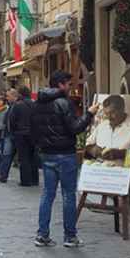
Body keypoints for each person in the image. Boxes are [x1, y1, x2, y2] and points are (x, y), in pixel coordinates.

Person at [31, 71, 100, 248]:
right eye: (69, 84)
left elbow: (34, 130)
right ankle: (70, 236)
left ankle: (42, 235)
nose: (71, 88)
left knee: (47, 194)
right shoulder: (63, 103)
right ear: (61, 84)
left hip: (47, 154)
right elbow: (75, 128)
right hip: (65, 154)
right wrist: (90, 114)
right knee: (68, 195)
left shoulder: (39, 103)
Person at [85, 95, 130, 167]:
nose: (109, 117)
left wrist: (120, 154)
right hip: (99, 171)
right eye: (106, 113)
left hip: (123, 173)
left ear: (122, 109)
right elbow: (87, 145)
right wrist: (93, 150)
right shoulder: (102, 126)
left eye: (112, 113)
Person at [10, 86, 39, 186]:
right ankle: (35, 179)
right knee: (33, 157)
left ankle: (26, 180)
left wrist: (14, 132)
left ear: (20, 94)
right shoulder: (35, 105)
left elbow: (12, 121)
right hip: (33, 134)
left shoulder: (17, 105)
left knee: (24, 158)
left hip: (21, 134)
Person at [0, 88, 19, 183]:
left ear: (14, 96)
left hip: (14, 134)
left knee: (7, 155)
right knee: (6, 155)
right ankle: (2, 175)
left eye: (8, 96)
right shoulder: (11, 106)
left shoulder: (16, 106)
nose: (7, 98)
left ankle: (3, 175)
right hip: (9, 134)